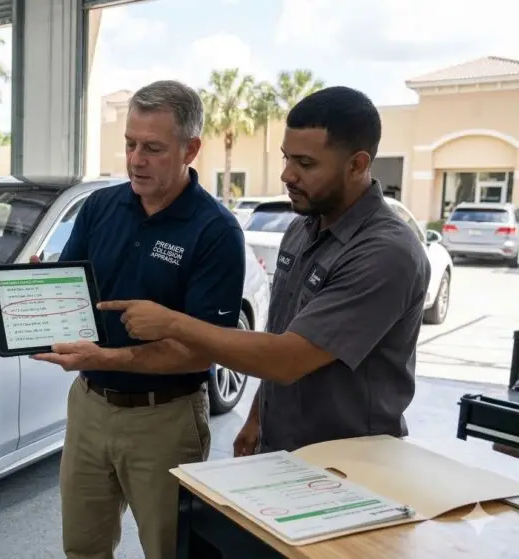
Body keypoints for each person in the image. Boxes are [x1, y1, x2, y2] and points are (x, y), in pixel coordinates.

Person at [98, 85, 432, 457]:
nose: (287, 175)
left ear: (357, 164)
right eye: (286, 158)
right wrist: (258, 415)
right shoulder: (302, 229)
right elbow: (281, 335)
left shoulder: (385, 253)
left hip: (349, 460)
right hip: (282, 447)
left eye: (305, 164)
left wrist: (172, 324)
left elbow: (287, 358)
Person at [30, 80, 246, 559]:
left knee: (168, 549)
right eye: (129, 144)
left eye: (152, 148)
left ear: (191, 149)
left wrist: (106, 355)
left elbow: (200, 349)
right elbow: (72, 293)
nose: (135, 159)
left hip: (164, 419)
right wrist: (36, 298)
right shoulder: (101, 207)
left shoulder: (215, 232)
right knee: (82, 548)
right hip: (88, 407)